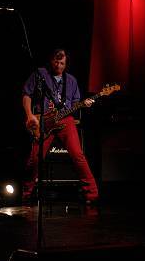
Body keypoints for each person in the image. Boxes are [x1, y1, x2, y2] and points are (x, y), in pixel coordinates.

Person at [22, 49, 99, 203]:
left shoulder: (71, 80)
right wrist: (30, 115)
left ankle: (92, 193)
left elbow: (76, 103)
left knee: (78, 155)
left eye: (62, 63)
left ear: (66, 64)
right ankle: (25, 193)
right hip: (43, 120)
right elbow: (26, 94)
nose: (58, 65)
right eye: (56, 62)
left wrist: (85, 104)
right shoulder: (40, 74)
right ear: (51, 61)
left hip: (66, 120)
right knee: (35, 158)